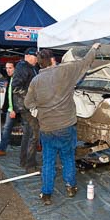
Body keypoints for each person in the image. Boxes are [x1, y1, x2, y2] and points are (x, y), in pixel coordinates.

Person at [24, 43, 100, 205]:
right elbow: (86, 63)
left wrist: (36, 110)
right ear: (52, 60)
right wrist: (93, 48)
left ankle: (46, 194)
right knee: (67, 158)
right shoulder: (65, 71)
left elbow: (28, 103)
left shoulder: (36, 81)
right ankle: (71, 187)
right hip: (66, 127)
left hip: (47, 129)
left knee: (48, 161)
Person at [12, 47, 40, 173]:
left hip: (27, 105)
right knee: (34, 134)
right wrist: (31, 96)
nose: (37, 60)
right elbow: (15, 88)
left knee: (28, 133)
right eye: (35, 57)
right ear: (28, 56)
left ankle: (25, 160)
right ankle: (29, 164)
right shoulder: (23, 67)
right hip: (25, 106)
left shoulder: (31, 67)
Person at [0, 62, 16, 157]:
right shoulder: (9, 78)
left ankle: (37, 145)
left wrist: (14, 109)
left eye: (10, 68)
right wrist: (7, 107)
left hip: (18, 109)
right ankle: (2, 149)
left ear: (15, 68)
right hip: (11, 109)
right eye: (6, 68)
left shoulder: (18, 78)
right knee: (6, 129)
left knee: (29, 129)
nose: (8, 70)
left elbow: (18, 96)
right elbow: (9, 95)